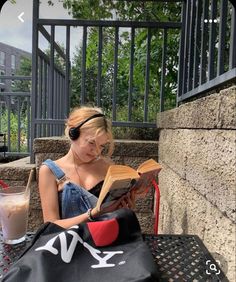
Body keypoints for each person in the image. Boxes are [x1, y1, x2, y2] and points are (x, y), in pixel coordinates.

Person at [38, 106, 135, 229]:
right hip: (70, 245)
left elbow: (114, 216)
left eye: (101, 146)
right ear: (73, 133)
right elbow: (50, 226)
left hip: (107, 242)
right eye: (91, 143)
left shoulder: (107, 166)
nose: (96, 151)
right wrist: (93, 214)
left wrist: (125, 206)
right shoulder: (49, 171)